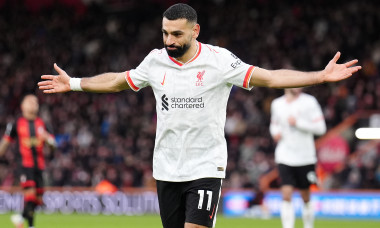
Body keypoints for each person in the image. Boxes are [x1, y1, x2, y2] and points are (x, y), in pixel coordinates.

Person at [37, 3, 361, 228]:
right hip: (166, 167)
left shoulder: (219, 62)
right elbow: (118, 81)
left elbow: (270, 77)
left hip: (205, 166)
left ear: (195, 31)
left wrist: (318, 76)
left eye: (177, 34)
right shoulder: (155, 61)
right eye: (165, 33)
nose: (169, 41)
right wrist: (75, 83)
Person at [269, 88, 327, 228]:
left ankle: (308, 225)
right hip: (284, 156)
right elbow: (274, 124)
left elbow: (321, 128)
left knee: (305, 196)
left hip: (305, 157)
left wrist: (298, 123)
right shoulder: (277, 104)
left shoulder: (309, 102)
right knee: (286, 194)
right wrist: (275, 133)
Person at [0, 94, 56, 228]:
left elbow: (54, 146)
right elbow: (5, 143)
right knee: (30, 197)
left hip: (40, 166)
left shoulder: (43, 124)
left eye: (35, 101)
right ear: (22, 106)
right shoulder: (16, 123)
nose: (33, 103)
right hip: (24, 165)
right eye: (29, 101)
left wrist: (48, 139)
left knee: (37, 200)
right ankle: (30, 225)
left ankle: (20, 218)